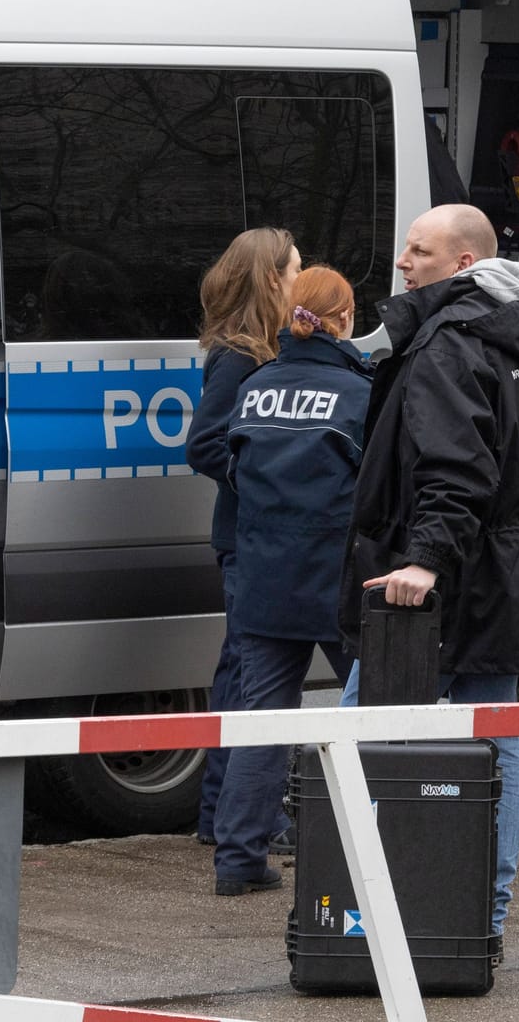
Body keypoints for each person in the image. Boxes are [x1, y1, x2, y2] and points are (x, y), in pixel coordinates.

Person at [340, 203, 519, 955]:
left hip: (449, 576)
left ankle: (356, 903)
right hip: (508, 571)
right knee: (495, 736)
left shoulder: (451, 341)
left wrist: (425, 560)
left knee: (353, 733)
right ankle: (484, 913)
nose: (403, 263)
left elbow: (455, 468)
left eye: (419, 251)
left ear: (461, 265)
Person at [212, 268, 373, 896]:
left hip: (262, 577)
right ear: (344, 318)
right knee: (367, 714)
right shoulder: (359, 392)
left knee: (262, 719)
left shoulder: (255, 386)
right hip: (336, 580)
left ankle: (238, 860)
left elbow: (232, 467)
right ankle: (361, 849)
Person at [184, 227, 301, 848]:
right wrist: (269, 483)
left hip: (250, 536)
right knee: (245, 677)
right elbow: (205, 444)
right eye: (295, 270)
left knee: (239, 671)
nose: (301, 281)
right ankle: (238, 817)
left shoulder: (264, 349)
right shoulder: (239, 356)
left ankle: (224, 815)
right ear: (270, 279)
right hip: (247, 536)